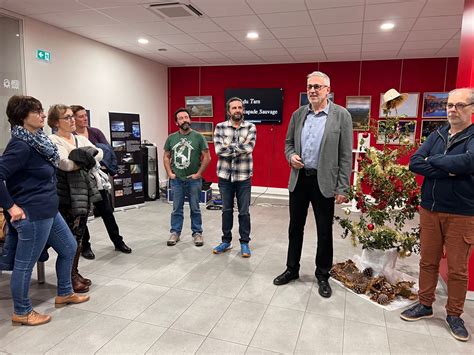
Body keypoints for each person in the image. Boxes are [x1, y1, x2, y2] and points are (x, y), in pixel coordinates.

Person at [0, 96, 89, 326]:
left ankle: (64, 292)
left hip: (49, 209)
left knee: (69, 248)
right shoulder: (20, 146)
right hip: (32, 214)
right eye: (36, 112)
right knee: (24, 264)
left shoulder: (39, 141)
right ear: (21, 117)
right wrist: (11, 206)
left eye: (41, 110)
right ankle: (22, 311)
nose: (42, 115)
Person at [400, 87, 474, 342]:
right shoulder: (439, 133)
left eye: (459, 105)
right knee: (428, 262)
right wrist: (450, 168)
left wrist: (436, 162)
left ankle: (454, 315)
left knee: (457, 269)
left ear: (471, 109)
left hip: (462, 213)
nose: (452, 110)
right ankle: (425, 304)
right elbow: (415, 162)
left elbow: (469, 163)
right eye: (449, 105)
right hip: (430, 209)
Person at [273, 71, 353, 298]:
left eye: (318, 86)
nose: (313, 90)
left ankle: (323, 275)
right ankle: (292, 269)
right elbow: (288, 143)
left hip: (324, 181)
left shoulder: (341, 116)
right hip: (299, 180)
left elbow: (346, 154)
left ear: (328, 89)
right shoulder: (298, 114)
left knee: (324, 231)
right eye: (309, 86)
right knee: (294, 228)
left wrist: (342, 187)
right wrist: (291, 157)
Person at [48, 104, 103, 293]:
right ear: (56, 122)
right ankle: (68, 277)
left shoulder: (79, 138)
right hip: (66, 195)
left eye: (73, 116)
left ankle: (74, 272)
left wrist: (82, 158)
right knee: (69, 239)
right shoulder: (53, 140)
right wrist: (85, 159)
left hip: (83, 192)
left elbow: (100, 153)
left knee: (79, 236)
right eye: (67, 117)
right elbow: (65, 164)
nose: (72, 120)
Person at [71, 105, 131, 259]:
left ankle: (118, 242)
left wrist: (94, 158)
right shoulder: (70, 136)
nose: (85, 118)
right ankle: (86, 246)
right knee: (83, 215)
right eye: (80, 116)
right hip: (79, 181)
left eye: (85, 115)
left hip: (97, 180)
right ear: (74, 118)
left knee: (107, 212)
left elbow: (106, 151)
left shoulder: (95, 132)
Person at [213, 97, 257, 258]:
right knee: (226, 210)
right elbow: (218, 150)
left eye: (240, 107)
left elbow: (250, 147)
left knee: (244, 212)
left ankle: (244, 243)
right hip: (225, 176)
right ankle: (226, 241)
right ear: (228, 111)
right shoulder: (220, 127)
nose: (237, 110)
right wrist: (240, 147)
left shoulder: (251, 127)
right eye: (234, 108)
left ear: (243, 110)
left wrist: (228, 146)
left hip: (244, 176)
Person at [163, 108, 211, 246]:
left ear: (190, 119)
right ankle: (175, 233)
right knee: (176, 208)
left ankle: (197, 233)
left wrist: (199, 174)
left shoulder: (198, 137)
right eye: (181, 118)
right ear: (176, 122)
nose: (184, 120)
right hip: (177, 180)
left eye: (186, 117)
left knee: (195, 208)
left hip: (193, 180)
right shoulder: (171, 138)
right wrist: (170, 174)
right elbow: (166, 156)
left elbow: (207, 157)